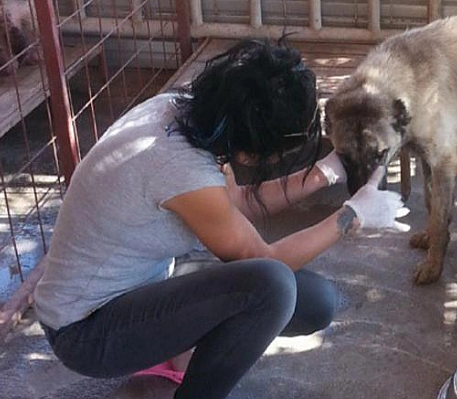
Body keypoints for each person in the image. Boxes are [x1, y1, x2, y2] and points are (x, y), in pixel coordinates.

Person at [33, 38, 405, 399]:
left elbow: (238, 203)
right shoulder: (180, 167)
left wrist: (328, 171)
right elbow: (264, 260)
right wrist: (351, 215)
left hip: (138, 287)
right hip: (85, 331)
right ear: (248, 152)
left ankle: (174, 351)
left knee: (314, 302)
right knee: (272, 288)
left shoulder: (183, 111)